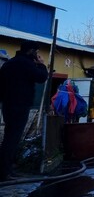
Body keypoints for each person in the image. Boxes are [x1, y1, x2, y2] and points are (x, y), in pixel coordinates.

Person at [0, 41, 48, 181]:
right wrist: (42, 64)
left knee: (9, 137)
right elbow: (41, 77)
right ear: (31, 51)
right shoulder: (27, 64)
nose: (37, 55)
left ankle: (7, 168)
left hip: (8, 105)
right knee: (13, 138)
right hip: (20, 105)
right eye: (36, 52)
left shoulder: (9, 64)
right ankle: (4, 172)